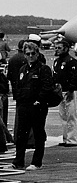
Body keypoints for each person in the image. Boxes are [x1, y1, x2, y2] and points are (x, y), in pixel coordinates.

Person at [12, 40, 54, 170]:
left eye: (33, 53)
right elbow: (18, 86)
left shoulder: (43, 69)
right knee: (21, 134)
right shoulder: (22, 69)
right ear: (24, 55)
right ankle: (18, 161)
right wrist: (20, 100)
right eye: (28, 53)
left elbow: (47, 87)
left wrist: (39, 100)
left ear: (37, 54)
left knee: (38, 134)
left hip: (37, 106)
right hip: (24, 106)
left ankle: (36, 162)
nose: (30, 56)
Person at [52, 37, 77, 147]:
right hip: (60, 91)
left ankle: (72, 139)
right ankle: (65, 138)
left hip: (69, 92)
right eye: (56, 48)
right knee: (63, 116)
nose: (57, 49)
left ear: (66, 48)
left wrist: (71, 89)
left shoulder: (71, 61)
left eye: (59, 48)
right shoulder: (56, 62)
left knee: (71, 116)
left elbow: (75, 77)